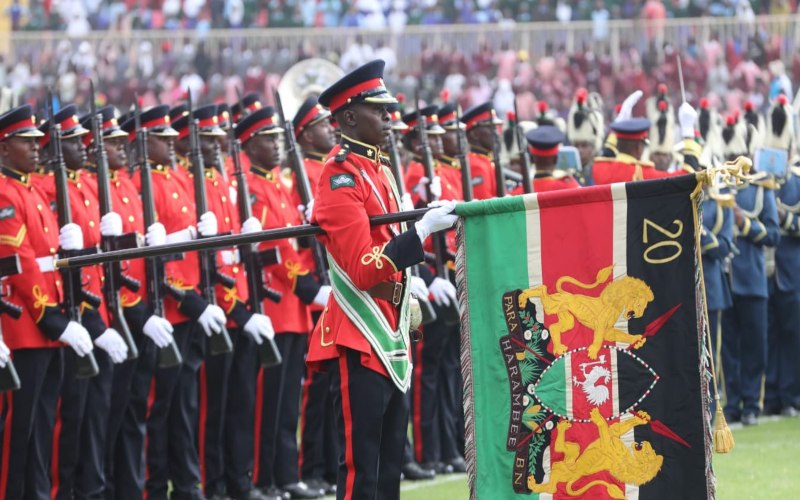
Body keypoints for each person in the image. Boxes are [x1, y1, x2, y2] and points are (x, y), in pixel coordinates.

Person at [308, 59, 458, 499]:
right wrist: (421, 232)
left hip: (392, 325)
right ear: (349, 118)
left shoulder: (381, 170)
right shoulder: (339, 177)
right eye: (378, 110)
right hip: (361, 329)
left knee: (390, 462)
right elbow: (361, 266)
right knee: (362, 464)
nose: (389, 117)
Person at [0, 104, 94, 500]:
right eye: (27, 142)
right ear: (4, 148)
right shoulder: (5, 193)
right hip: (24, 325)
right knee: (17, 430)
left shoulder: (32, 189)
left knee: (41, 427)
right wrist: (52, 318)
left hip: (46, 325)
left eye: (37, 142)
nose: (37, 148)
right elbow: (19, 264)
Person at [38, 105, 130, 500]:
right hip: (71, 314)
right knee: (70, 418)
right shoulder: (47, 189)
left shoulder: (88, 186)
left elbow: (98, 260)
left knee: (98, 414)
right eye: (74, 141)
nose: (84, 147)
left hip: (97, 310)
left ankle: (91, 490)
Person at [237, 106, 328, 500]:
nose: (276, 145)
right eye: (268, 139)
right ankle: (263, 477)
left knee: (288, 399)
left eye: (277, 139)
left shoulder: (277, 184)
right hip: (275, 302)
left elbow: (294, 240)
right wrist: (305, 286)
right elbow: (271, 250)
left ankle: (286, 474)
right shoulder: (254, 189)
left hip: (292, 308)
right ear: (249, 146)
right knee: (268, 400)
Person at [92, 106, 176, 499]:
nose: (121, 149)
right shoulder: (97, 187)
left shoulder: (126, 184)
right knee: (106, 415)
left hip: (139, 309)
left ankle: (129, 488)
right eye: (111, 144)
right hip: (117, 314)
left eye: (121, 143)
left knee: (133, 409)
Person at [719, 111, 780, 427]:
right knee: (728, 348)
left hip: (753, 278)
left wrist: (744, 223)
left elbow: (773, 234)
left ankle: (752, 403)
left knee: (755, 346)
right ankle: (733, 404)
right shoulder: (717, 186)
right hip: (727, 279)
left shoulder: (761, 189)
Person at [293, 96, 341, 496]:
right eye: (323, 125)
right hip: (311, 290)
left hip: (332, 283)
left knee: (332, 389)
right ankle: (311, 467)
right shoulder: (298, 175)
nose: (331, 130)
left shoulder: (329, 168)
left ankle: (329, 465)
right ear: (306, 134)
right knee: (316, 387)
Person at [764, 96, 800, 417]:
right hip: (764, 271)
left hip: (790, 269)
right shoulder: (759, 183)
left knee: (791, 333)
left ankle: (789, 395)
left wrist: (783, 217)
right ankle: (771, 396)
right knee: (769, 333)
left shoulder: (796, 182)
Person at [460, 102, 503, 199]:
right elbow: (485, 204)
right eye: (491, 128)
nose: (496, 133)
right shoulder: (476, 165)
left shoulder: (486, 161)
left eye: (496, 128)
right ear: (474, 134)